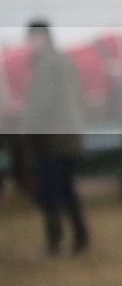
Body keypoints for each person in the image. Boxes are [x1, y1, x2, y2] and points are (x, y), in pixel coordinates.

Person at [23, 21, 89, 256]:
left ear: (40, 38)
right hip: (71, 136)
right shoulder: (66, 61)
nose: (28, 44)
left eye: (30, 38)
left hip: (51, 139)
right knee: (68, 190)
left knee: (50, 191)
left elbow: (42, 104)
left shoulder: (45, 65)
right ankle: (81, 240)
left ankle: (54, 243)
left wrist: (25, 128)